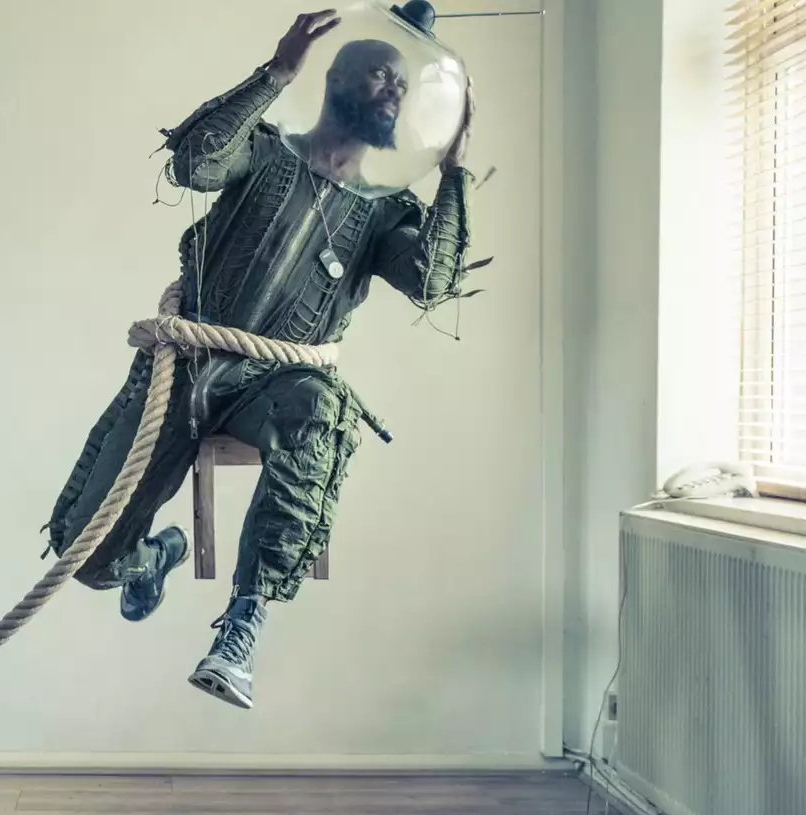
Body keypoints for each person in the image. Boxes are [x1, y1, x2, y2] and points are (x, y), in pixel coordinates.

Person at [44, 8, 480, 709]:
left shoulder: (386, 212)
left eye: (404, 85)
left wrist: (454, 172)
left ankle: (241, 629)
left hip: (275, 385)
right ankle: (155, 556)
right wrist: (276, 72)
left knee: (326, 408)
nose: (395, 93)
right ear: (337, 78)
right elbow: (194, 161)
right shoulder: (267, 152)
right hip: (180, 370)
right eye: (380, 74)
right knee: (85, 555)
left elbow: (433, 280)